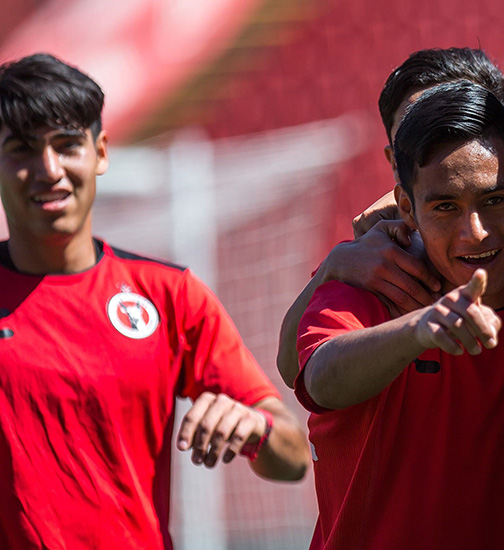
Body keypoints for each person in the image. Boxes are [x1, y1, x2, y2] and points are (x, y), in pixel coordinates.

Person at [0, 53, 310, 549]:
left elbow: (293, 457)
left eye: (67, 145)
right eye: (22, 149)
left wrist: (255, 426)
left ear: (100, 153)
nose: (49, 170)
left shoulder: (169, 294)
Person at [294, 80, 504, 549]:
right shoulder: (370, 276)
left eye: (494, 201)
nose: (476, 233)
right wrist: (418, 330)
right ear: (406, 207)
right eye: (445, 207)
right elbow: (319, 378)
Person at [275, 47, 504, 387]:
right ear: (395, 162)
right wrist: (330, 268)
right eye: (417, 127)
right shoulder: (371, 262)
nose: (446, 140)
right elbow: (299, 371)